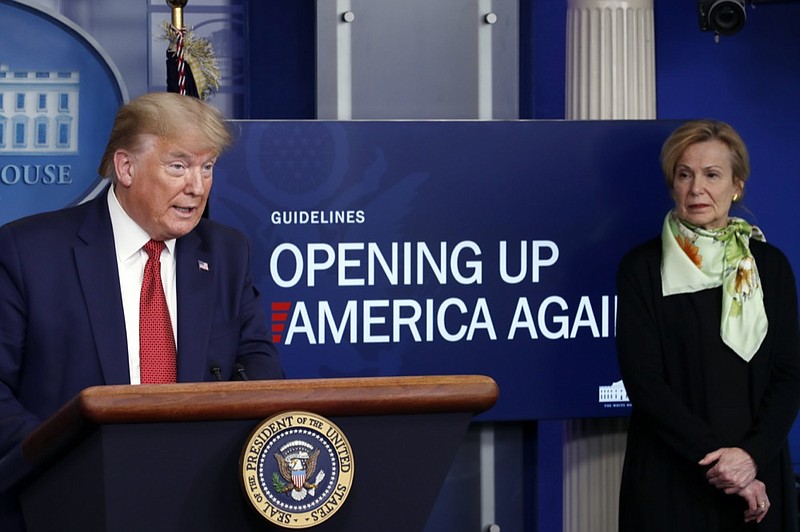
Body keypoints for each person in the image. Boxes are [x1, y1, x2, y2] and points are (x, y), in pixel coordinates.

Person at [0, 92, 284, 529]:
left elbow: (258, 365)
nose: (197, 186)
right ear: (126, 167)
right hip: (67, 503)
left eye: (207, 167)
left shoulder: (227, 253)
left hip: (199, 501)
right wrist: (70, 463)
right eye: (179, 165)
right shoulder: (28, 252)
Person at [616, 119, 800, 532]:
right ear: (672, 186)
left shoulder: (770, 268)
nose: (697, 188)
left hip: (759, 478)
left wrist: (750, 460)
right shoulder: (642, 269)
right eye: (685, 174)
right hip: (672, 478)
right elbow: (645, 382)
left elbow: (789, 376)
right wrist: (723, 464)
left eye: (712, 175)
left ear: (736, 185)